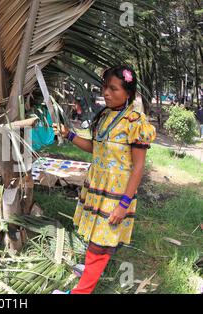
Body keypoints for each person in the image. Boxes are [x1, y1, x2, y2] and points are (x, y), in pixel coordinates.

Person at [52, 65, 156, 294]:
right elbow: (94, 148)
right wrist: (68, 134)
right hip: (97, 186)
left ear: (127, 93)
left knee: (102, 242)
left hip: (117, 193)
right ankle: (89, 268)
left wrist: (124, 204)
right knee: (97, 234)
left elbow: (138, 167)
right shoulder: (105, 116)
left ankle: (81, 291)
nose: (106, 93)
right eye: (104, 87)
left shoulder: (135, 122)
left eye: (113, 88)